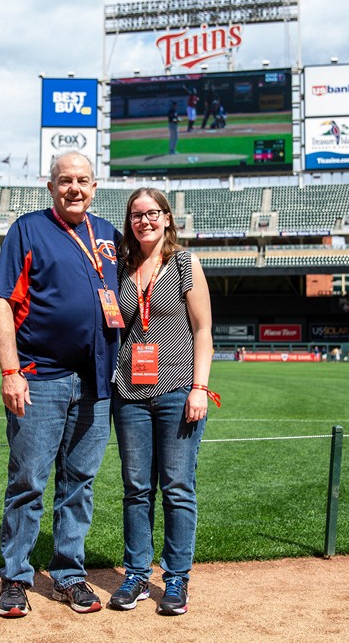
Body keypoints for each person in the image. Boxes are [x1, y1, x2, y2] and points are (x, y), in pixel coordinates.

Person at [0, 151, 122, 618]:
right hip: (38, 377)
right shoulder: (28, 229)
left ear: (95, 185)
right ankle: (15, 578)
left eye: (83, 180)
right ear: (51, 186)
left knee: (79, 483)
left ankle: (69, 575)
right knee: (28, 482)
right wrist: (10, 372)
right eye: (66, 180)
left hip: (95, 380)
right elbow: (2, 301)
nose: (75, 189)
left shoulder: (108, 234)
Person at [108, 187, 215, 616]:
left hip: (176, 390)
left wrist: (200, 388)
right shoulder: (119, 266)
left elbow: (204, 331)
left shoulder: (185, 263)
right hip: (129, 395)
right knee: (136, 490)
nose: (144, 221)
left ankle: (175, 580)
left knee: (176, 487)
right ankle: (135, 574)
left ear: (167, 218)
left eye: (153, 213)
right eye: (136, 214)